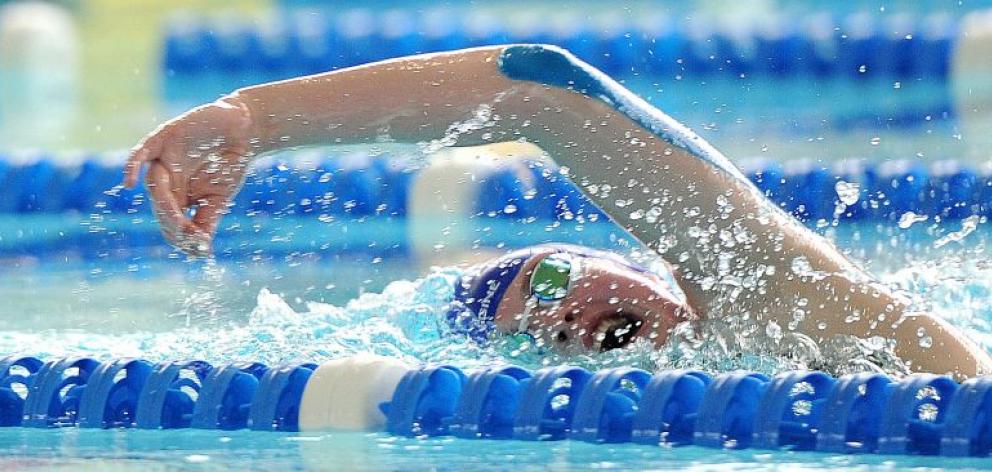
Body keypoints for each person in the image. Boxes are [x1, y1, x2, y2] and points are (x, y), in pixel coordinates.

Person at [122, 44, 992, 378]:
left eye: (546, 279)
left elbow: (543, 87)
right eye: (530, 338)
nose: (560, 319)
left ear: (636, 258)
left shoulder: (761, 288)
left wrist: (255, 118)